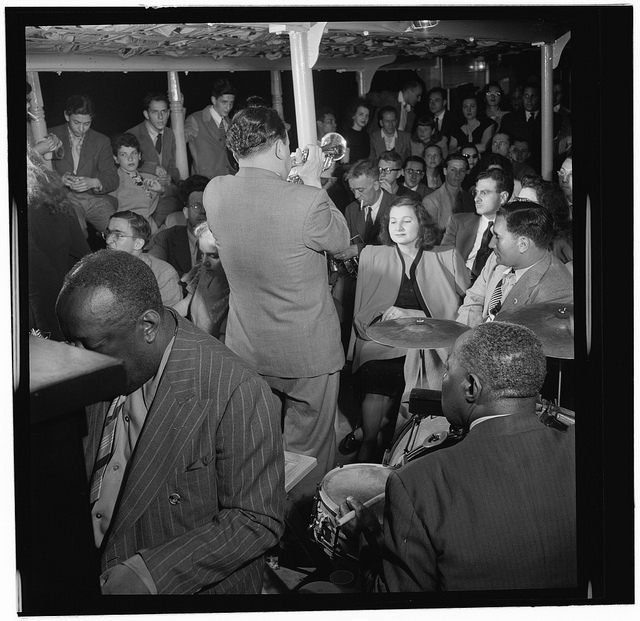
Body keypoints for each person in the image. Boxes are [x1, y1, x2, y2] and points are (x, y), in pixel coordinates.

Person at [54, 249, 285, 594]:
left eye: (90, 346)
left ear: (147, 326)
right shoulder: (100, 352)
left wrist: (150, 573)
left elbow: (258, 519)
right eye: (70, 341)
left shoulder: (236, 390)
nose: (76, 357)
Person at [341, 321, 576, 592]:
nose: (442, 379)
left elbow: (399, 601)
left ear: (471, 388)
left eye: (447, 370)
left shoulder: (418, 483)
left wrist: (368, 538)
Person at [203, 105, 350, 509]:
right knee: (309, 454)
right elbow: (343, 242)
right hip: (307, 353)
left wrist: (291, 180)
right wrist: (313, 181)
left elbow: (258, 212)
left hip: (247, 349)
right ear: (283, 145)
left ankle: (255, 518)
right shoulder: (308, 201)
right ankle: (300, 533)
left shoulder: (214, 190)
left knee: (255, 448)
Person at [346, 197, 469, 462]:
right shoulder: (374, 255)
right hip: (383, 336)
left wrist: (416, 315)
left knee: (420, 378)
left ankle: (381, 437)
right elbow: (363, 310)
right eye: (392, 221)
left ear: (422, 224)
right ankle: (368, 443)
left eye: (406, 220)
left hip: (431, 339)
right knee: (376, 370)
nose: (397, 227)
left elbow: (465, 307)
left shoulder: (445, 256)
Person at [456, 201, 573, 327]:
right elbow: (474, 298)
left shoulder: (556, 293)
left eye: (497, 237)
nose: (491, 244)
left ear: (523, 244)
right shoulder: (497, 258)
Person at [27, 146, 91, 340]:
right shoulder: (58, 198)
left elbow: (39, 280)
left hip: (40, 316)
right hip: (64, 305)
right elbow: (83, 255)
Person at [49, 94, 119, 237]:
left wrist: (93, 182)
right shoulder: (49, 135)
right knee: (77, 231)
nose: (81, 129)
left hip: (93, 198)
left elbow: (112, 177)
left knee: (117, 231)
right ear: (66, 116)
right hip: (62, 197)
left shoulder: (102, 141)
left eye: (86, 124)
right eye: (76, 122)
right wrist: (60, 180)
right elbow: (39, 173)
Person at [441, 167, 513, 282]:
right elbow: (443, 259)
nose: (476, 199)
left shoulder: (514, 229)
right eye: (476, 192)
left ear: (503, 197)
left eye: (484, 193)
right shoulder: (457, 221)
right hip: (457, 282)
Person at [104, 210, 182, 308]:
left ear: (138, 244)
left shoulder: (163, 274)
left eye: (118, 235)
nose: (108, 240)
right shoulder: (97, 266)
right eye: (108, 233)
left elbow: (169, 318)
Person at [126, 92, 182, 227]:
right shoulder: (133, 134)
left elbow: (171, 165)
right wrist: (152, 168)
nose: (160, 117)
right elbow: (125, 165)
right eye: (155, 112)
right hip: (140, 189)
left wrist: (170, 177)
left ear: (169, 113)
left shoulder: (169, 134)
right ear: (146, 114)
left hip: (163, 191)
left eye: (163, 111)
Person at [146, 175, 210, 283]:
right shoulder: (166, 237)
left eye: (207, 205)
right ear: (185, 212)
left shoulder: (223, 239)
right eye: (196, 206)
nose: (203, 211)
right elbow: (151, 268)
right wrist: (188, 278)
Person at [173, 221, 229, 341]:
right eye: (202, 254)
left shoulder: (234, 289)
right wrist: (164, 317)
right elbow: (186, 303)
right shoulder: (202, 270)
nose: (205, 262)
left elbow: (223, 339)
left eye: (213, 256)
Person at [500, 82, 563, 173]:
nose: (529, 100)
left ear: (540, 97)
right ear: (522, 97)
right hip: (516, 169)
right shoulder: (509, 119)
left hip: (544, 168)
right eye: (526, 96)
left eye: (533, 96)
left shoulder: (554, 118)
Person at [109, 132, 163, 233]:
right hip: (127, 231)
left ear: (139, 156)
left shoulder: (150, 178)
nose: (130, 158)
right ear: (116, 159)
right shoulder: (113, 181)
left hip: (151, 230)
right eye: (123, 154)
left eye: (133, 153)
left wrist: (160, 190)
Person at [185, 78, 238, 179]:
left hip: (229, 179)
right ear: (214, 100)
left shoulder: (230, 122)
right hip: (204, 182)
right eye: (224, 102)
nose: (228, 107)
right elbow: (176, 141)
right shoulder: (195, 119)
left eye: (231, 103)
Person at [519, 174, 573, 266]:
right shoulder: (522, 237)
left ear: (546, 207)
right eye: (518, 201)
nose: (517, 207)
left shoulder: (561, 243)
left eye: (525, 202)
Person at [421, 153, 475, 242]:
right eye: (453, 170)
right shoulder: (431, 201)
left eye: (461, 170)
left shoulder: (469, 198)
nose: (457, 174)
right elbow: (429, 237)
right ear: (445, 171)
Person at [342, 98, 371, 163]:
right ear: (353, 115)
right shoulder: (346, 135)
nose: (364, 118)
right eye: (361, 114)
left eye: (367, 116)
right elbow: (344, 162)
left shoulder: (366, 135)